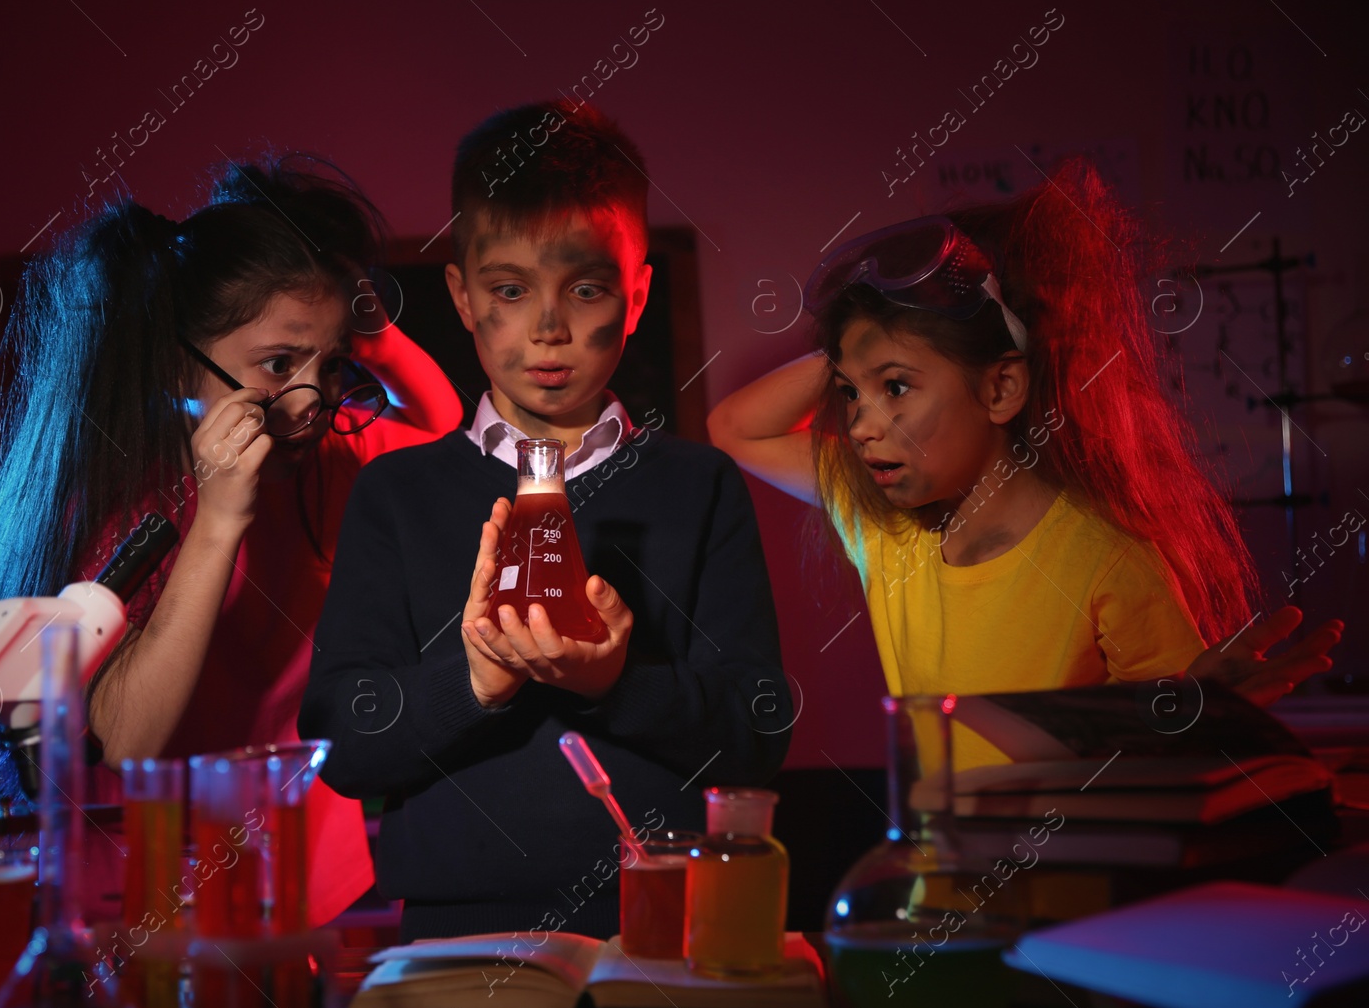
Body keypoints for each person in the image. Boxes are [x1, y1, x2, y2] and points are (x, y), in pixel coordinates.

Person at [298, 101, 791, 941]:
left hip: (670, 925)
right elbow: (345, 742)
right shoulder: (397, 493)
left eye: (587, 288)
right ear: (460, 294)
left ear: (636, 296)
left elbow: (759, 731)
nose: (550, 328)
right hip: (456, 935)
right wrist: (477, 681)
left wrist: (615, 683)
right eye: (511, 290)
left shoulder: (699, 486)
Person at [0, 154, 464, 925]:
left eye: (331, 364)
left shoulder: (329, 460)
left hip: (309, 895)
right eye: (279, 364)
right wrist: (219, 518)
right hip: (155, 909)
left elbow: (442, 437)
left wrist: (374, 342)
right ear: (184, 361)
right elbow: (117, 737)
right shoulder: (126, 503)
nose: (309, 403)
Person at [708, 158, 1342, 768]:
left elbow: (1161, 763)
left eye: (897, 388)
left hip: (1070, 879)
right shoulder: (886, 527)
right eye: (849, 394)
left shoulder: (1107, 556)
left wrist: (1202, 714)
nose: (863, 426)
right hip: (940, 876)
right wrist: (868, 334)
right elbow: (735, 428)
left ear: (1001, 390)